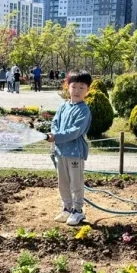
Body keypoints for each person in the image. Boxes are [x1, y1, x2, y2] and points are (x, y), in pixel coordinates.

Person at [46, 70, 92, 226]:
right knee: (63, 182)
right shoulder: (63, 106)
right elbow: (55, 123)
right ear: (67, 87)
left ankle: (78, 210)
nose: (77, 91)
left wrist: (56, 136)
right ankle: (67, 207)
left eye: (81, 87)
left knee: (76, 183)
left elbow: (75, 131)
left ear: (88, 90)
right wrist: (53, 133)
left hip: (75, 153)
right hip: (60, 152)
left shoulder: (84, 110)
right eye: (74, 87)